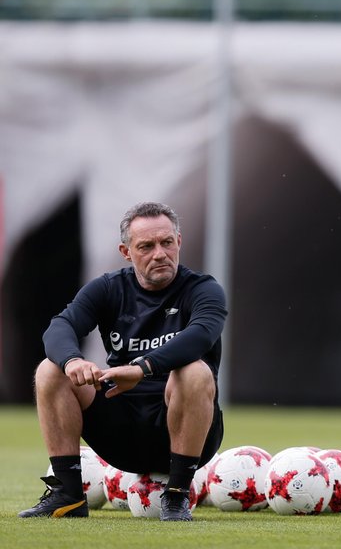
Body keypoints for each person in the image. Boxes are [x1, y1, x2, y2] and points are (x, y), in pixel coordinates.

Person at [18, 201, 227, 521]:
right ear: (126, 251)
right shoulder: (108, 288)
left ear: (179, 242)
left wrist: (142, 368)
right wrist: (73, 361)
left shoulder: (203, 289)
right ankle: (68, 494)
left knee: (195, 370)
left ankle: (177, 495)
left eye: (167, 242)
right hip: (121, 430)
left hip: (183, 433)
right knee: (50, 369)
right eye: (146, 246)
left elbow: (200, 335)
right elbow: (59, 328)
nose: (160, 253)